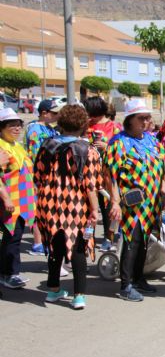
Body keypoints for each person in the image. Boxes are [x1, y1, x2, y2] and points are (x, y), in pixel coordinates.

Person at [35, 104, 101, 310]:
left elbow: (37, 175)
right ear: (83, 124)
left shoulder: (47, 145)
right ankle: (78, 295)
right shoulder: (87, 150)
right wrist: (95, 209)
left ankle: (53, 290)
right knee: (78, 247)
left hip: (49, 201)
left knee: (56, 246)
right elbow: (90, 185)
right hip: (75, 204)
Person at [105, 99, 165, 302]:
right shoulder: (118, 143)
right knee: (132, 241)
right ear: (130, 120)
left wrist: (164, 189)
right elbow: (110, 175)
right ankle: (126, 284)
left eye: (148, 117)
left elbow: (162, 165)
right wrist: (114, 202)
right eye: (142, 118)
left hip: (152, 202)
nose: (147, 121)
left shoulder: (152, 140)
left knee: (144, 241)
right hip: (131, 203)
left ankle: (139, 278)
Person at [0, 108, 36, 289]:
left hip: (22, 203)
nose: (16, 128)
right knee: (9, 239)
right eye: (11, 125)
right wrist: (6, 199)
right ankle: (8, 273)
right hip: (8, 203)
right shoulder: (1, 147)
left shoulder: (17, 146)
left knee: (14, 238)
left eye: (18, 124)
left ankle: (11, 272)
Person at [24, 99, 62, 257]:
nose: (57, 115)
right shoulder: (35, 129)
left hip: (51, 175)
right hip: (39, 175)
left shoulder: (50, 129)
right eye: (54, 113)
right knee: (38, 210)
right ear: (44, 113)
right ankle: (38, 243)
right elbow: (35, 155)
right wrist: (36, 178)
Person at [85, 96, 123, 252]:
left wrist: (106, 146)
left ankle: (110, 238)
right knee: (88, 208)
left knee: (109, 206)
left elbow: (121, 149)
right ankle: (87, 241)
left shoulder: (114, 126)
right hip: (89, 173)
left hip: (108, 173)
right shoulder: (85, 126)